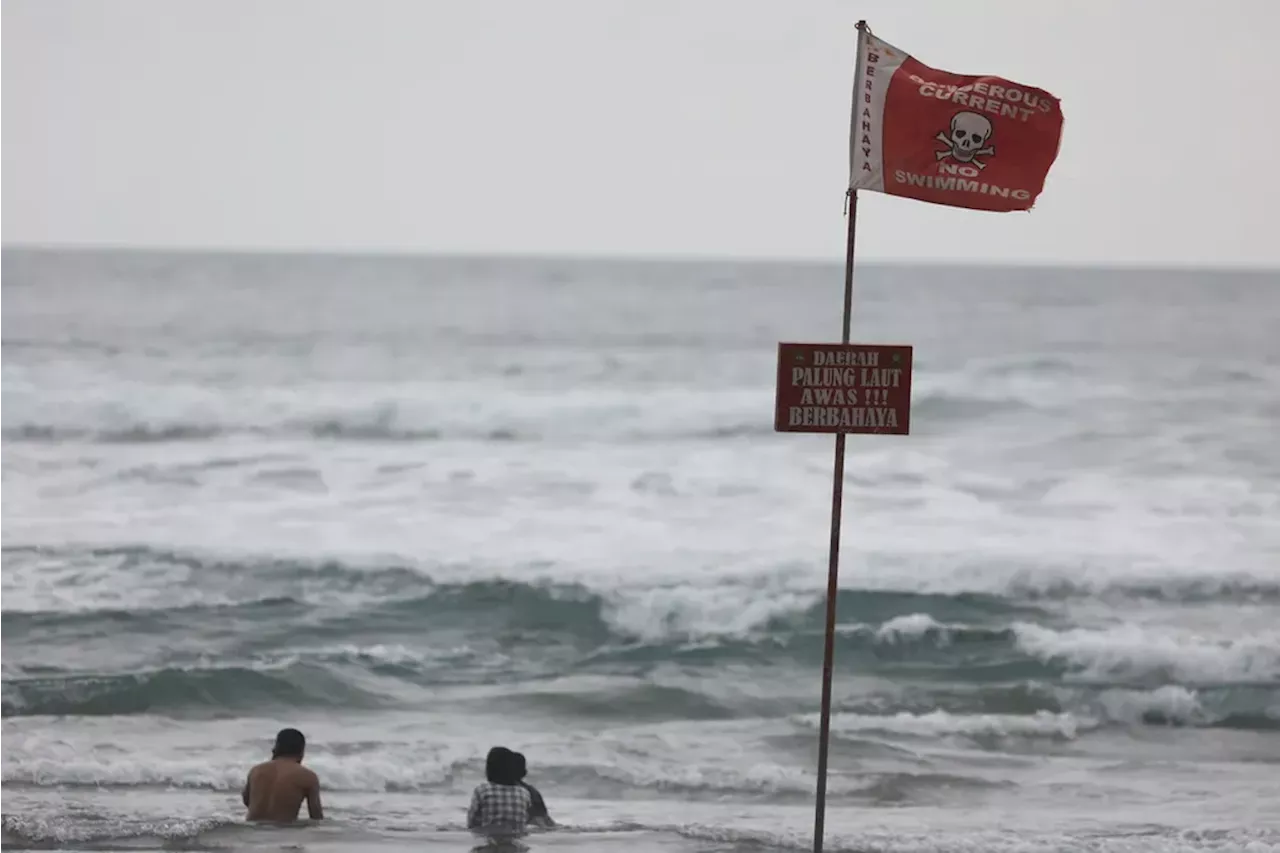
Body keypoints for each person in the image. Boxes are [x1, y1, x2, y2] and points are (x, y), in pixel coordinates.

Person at [241, 728, 324, 822]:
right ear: (302, 751)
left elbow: (247, 800)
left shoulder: (256, 770)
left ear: (276, 747)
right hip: (282, 831)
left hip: (252, 830)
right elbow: (316, 817)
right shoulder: (308, 777)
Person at [466, 746, 530, 835]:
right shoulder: (524, 793)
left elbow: (472, 823)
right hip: (517, 839)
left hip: (489, 837)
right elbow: (525, 819)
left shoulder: (482, 790)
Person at [512, 751, 554, 828]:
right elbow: (544, 815)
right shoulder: (532, 790)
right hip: (539, 822)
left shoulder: (512, 791)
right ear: (525, 772)